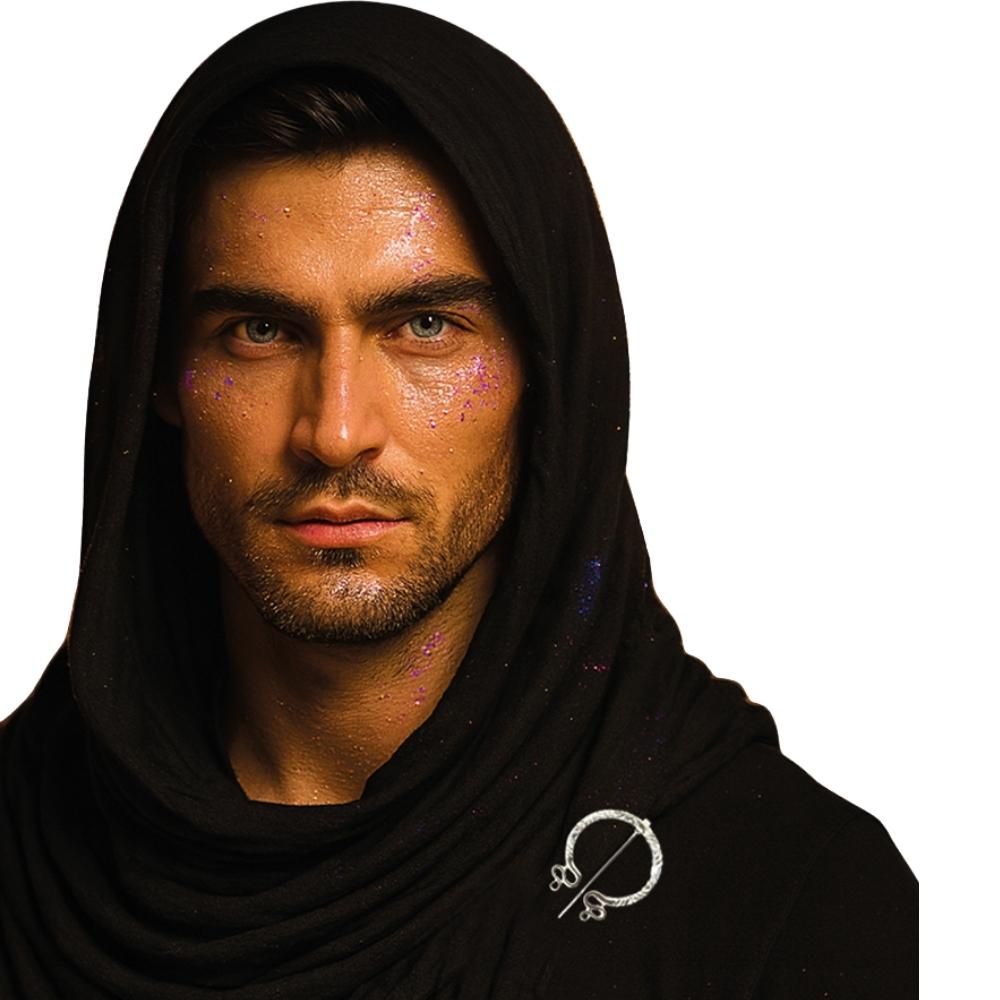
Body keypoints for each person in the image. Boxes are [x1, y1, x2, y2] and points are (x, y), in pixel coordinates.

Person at [0, 3, 917, 998]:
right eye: (260, 331)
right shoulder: (22, 849)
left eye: (426, 326)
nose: (335, 430)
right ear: (158, 375)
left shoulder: (787, 898)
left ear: (547, 373)